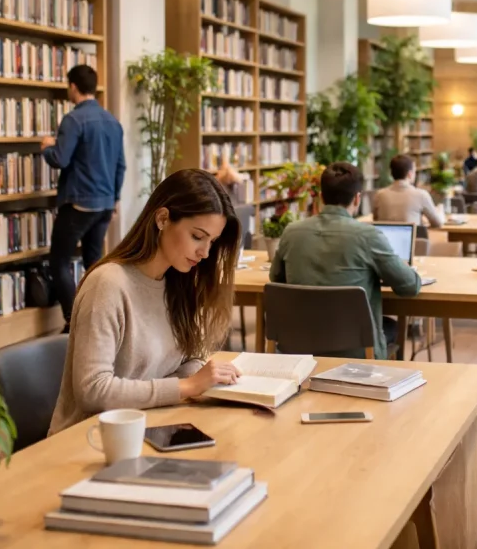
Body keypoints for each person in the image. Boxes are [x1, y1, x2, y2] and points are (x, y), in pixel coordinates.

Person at [49, 169, 243, 434]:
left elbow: (188, 360)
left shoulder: (178, 281)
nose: (205, 252)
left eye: (212, 241)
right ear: (163, 219)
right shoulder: (108, 284)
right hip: (91, 439)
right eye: (197, 237)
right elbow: (92, 390)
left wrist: (200, 378)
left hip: (149, 425)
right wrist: (187, 387)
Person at [269, 162, 421, 359]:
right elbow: (410, 286)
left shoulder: (291, 232)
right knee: (390, 327)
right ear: (357, 199)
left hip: (299, 344)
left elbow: (276, 279)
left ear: (321, 196)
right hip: (356, 349)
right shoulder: (368, 235)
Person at [42, 64, 125, 334]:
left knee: (58, 262)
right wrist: (114, 199)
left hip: (79, 201)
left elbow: (60, 159)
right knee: (94, 264)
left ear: (73, 87)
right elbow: (120, 165)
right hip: (104, 204)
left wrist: (47, 148)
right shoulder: (113, 121)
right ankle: (100, 320)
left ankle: (73, 320)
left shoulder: (73, 120)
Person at [373, 154, 445, 228]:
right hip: (412, 239)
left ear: (391, 173)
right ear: (410, 174)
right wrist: (440, 211)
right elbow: (437, 223)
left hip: (385, 239)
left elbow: (376, 220)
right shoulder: (421, 195)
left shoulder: (380, 195)